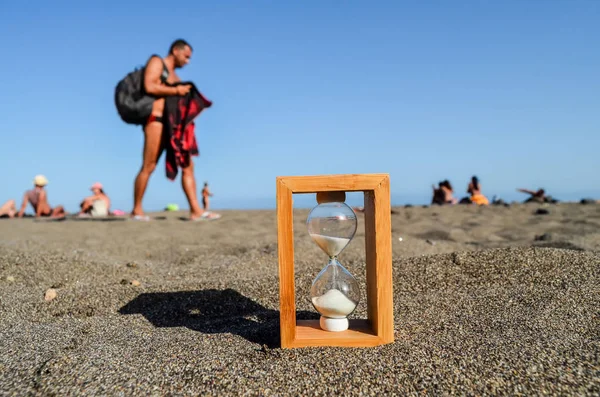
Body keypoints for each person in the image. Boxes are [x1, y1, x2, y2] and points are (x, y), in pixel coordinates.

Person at [131, 39, 220, 221]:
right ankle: (137, 210)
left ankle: (196, 210)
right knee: (149, 165)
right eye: (186, 56)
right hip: (156, 121)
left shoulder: (176, 78)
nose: (187, 61)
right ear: (175, 50)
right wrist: (176, 91)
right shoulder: (157, 62)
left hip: (176, 127)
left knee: (188, 166)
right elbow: (149, 85)